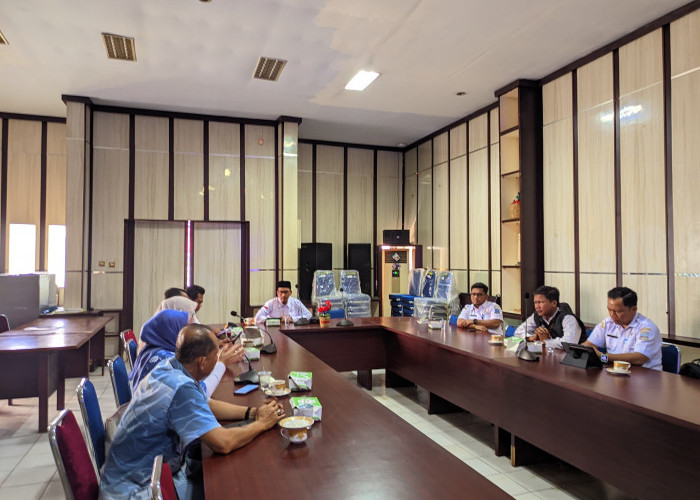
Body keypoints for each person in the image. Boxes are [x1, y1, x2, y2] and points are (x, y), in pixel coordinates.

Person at [100, 324, 285, 500]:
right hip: (137, 490)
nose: (219, 359)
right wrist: (262, 424)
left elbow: (206, 404)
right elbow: (223, 443)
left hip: (134, 476)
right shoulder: (181, 387)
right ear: (202, 362)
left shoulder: (170, 366)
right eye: (216, 355)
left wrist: (253, 412)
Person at [130, 310, 245, 397]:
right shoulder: (165, 360)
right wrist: (221, 363)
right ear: (174, 331)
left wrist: (212, 351)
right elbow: (200, 393)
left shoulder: (153, 349)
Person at [583, 287, 662, 370]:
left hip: (644, 375)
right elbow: (588, 345)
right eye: (609, 310)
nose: (612, 315)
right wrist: (589, 350)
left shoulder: (646, 327)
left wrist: (603, 357)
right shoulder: (607, 323)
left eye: (618, 311)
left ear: (634, 309)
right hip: (614, 371)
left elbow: (639, 358)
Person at [514, 285, 585, 349]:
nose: (537, 306)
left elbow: (570, 343)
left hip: (574, 357)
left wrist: (547, 341)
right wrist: (531, 337)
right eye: (535, 303)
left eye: (541, 302)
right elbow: (518, 332)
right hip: (550, 355)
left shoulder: (568, 318)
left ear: (554, 303)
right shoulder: (537, 315)